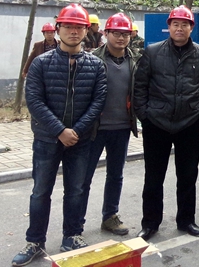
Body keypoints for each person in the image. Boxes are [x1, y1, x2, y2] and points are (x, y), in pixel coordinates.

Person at [12, 4, 107, 267]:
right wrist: (59, 131)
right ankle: (35, 242)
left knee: (76, 190)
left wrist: (75, 131)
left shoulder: (96, 66)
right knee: (40, 192)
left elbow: (98, 102)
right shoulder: (41, 63)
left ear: (86, 31)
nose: (73, 31)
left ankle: (72, 236)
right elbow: (34, 100)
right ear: (58, 29)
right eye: (68, 26)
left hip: (80, 140)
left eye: (79, 27)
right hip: (46, 139)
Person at [134, 5, 199, 241]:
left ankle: (186, 220)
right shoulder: (152, 52)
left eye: (184, 24)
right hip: (156, 123)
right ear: (168, 27)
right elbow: (140, 85)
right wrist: (145, 115)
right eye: (175, 24)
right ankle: (150, 223)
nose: (180, 28)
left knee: (188, 175)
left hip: (190, 123)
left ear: (191, 28)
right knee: (153, 177)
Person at [81, 13, 142, 237]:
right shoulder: (92, 59)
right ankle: (76, 222)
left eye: (125, 34)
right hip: (94, 129)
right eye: (116, 33)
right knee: (83, 178)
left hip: (122, 128)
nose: (121, 37)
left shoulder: (136, 60)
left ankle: (110, 216)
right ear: (105, 34)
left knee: (116, 175)